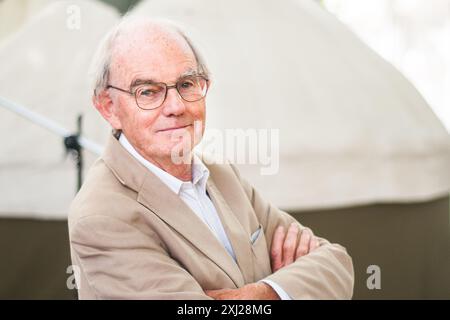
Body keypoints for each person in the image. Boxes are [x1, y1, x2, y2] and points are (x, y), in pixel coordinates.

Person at [68, 17, 354, 300]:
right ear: (109, 108)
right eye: (148, 92)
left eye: (187, 84)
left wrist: (263, 294)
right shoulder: (101, 216)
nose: (176, 106)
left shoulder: (221, 175)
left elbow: (337, 265)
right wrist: (291, 287)